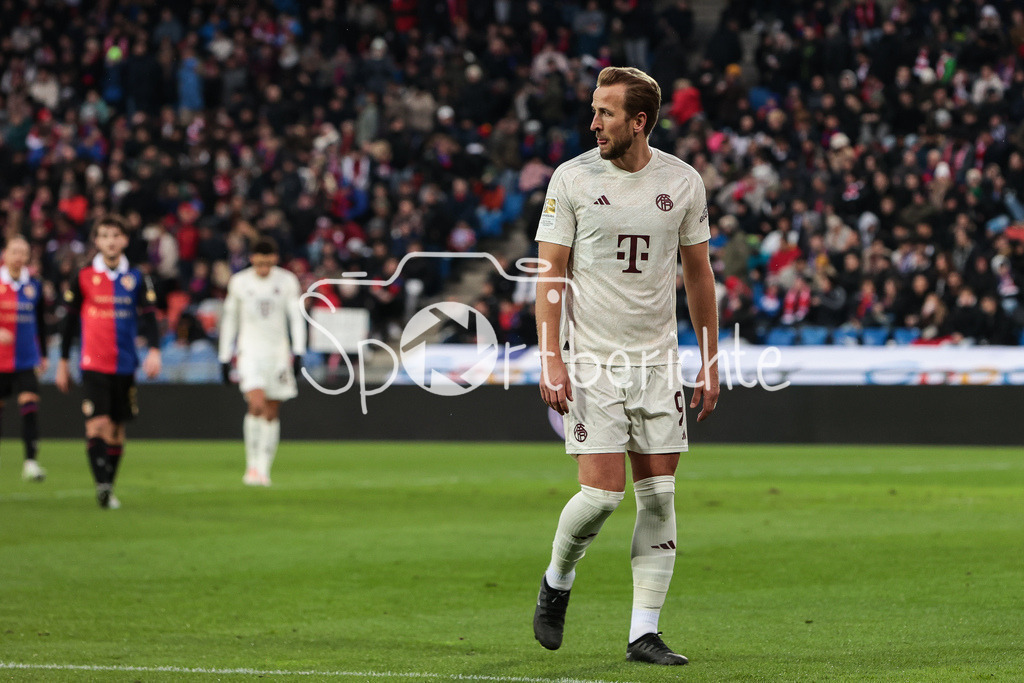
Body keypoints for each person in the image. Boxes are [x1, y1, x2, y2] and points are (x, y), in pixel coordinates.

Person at [532, 66, 719, 666]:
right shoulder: (572, 179)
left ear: (639, 121)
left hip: (658, 362)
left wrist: (710, 358)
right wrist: (551, 357)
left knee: (659, 497)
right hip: (592, 360)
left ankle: (644, 633)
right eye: (594, 110)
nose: (594, 123)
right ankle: (558, 578)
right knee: (602, 495)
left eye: (605, 112)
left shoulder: (682, 182)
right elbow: (550, 274)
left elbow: (699, 275)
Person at [56, 215, 162, 509]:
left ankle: (108, 487)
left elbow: (150, 317)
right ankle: (102, 484)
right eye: (104, 235)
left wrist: (155, 350)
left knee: (117, 430)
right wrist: (62, 361)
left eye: (116, 235)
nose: (110, 241)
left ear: (125, 240)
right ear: (96, 241)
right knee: (97, 424)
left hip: (126, 363)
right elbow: (68, 322)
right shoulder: (83, 276)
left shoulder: (137, 277)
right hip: (93, 362)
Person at [218, 237, 306, 487]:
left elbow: (296, 316)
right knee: (255, 403)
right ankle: (251, 466)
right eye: (259, 264)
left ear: (275, 260)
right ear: (252, 259)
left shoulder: (287, 281)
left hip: (278, 353)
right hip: (250, 351)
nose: (263, 269)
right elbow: (230, 319)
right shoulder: (239, 282)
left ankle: (264, 468)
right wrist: (224, 356)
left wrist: (299, 351)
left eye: (268, 263)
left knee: (271, 410)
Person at [0, 236, 48, 481]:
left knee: (29, 409)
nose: (18, 256)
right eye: (14, 251)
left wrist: (44, 355)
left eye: (23, 252)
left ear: (28, 256)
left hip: (27, 359)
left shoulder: (35, 286)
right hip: (0, 360)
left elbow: (40, 322)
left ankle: (30, 463)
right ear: (5, 254)